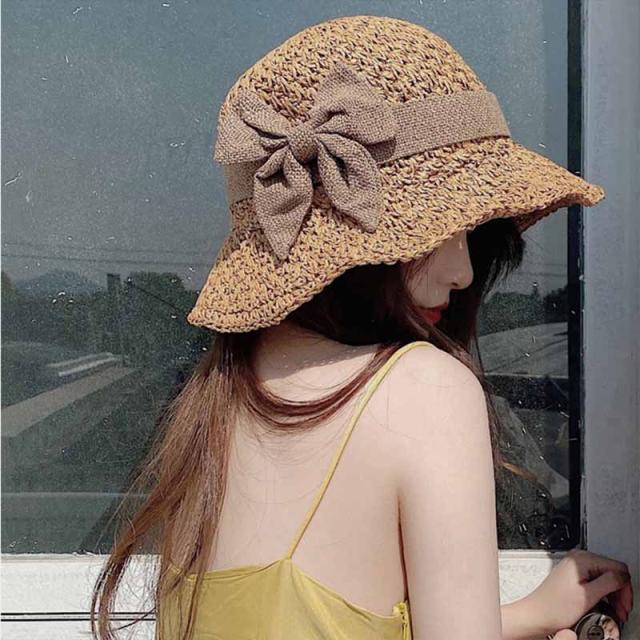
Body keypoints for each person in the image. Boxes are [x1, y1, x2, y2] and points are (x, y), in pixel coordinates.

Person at [90, 15, 633, 640]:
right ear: (359, 245)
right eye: (442, 230)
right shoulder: (424, 390)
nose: (463, 272)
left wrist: (528, 616)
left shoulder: (217, 400)